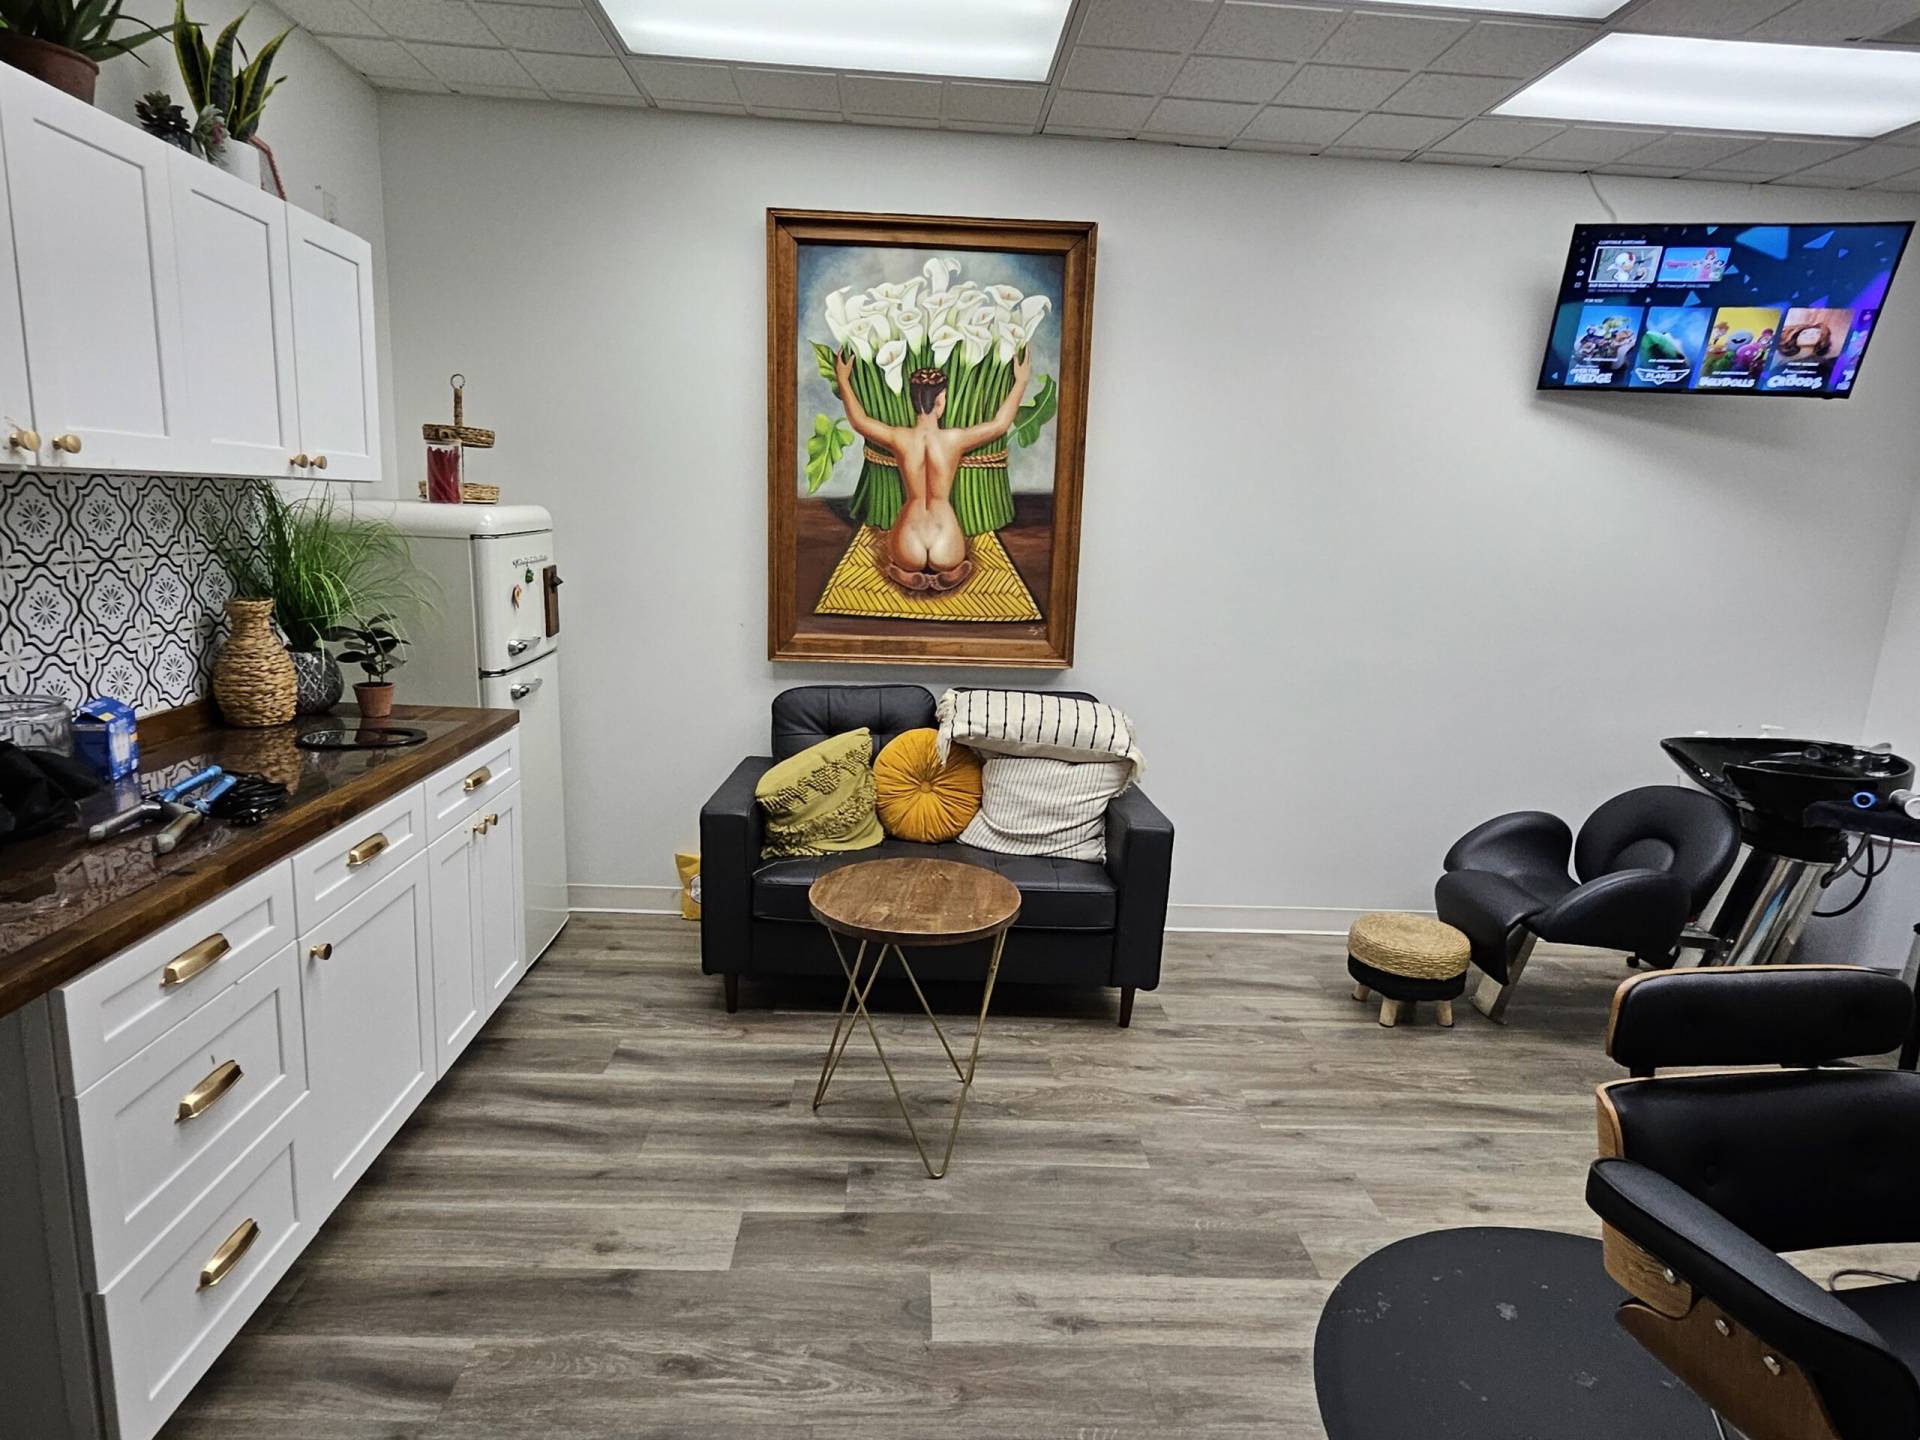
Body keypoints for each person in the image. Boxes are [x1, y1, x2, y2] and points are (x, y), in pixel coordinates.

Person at [833, 349, 1032, 593]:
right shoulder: (954, 440)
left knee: (905, 558)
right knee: (951, 560)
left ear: (913, 400)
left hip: (909, 537)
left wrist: (843, 379)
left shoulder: (900, 438)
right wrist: (1021, 382)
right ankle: (951, 571)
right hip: (945, 536)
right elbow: (999, 425)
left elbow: (860, 422)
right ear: (940, 401)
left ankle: (905, 571)